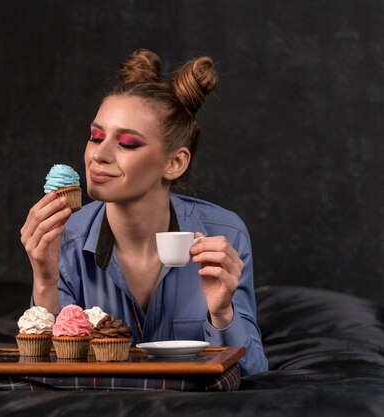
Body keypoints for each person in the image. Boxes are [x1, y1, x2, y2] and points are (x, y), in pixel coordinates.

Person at [20, 48, 268, 375]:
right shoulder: (65, 237)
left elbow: (253, 371)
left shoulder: (226, 234)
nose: (99, 155)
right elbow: (49, 371)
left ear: (174, 162)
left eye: (127, 143)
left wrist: (222, 313)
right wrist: (45, 281)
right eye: (96, 137)